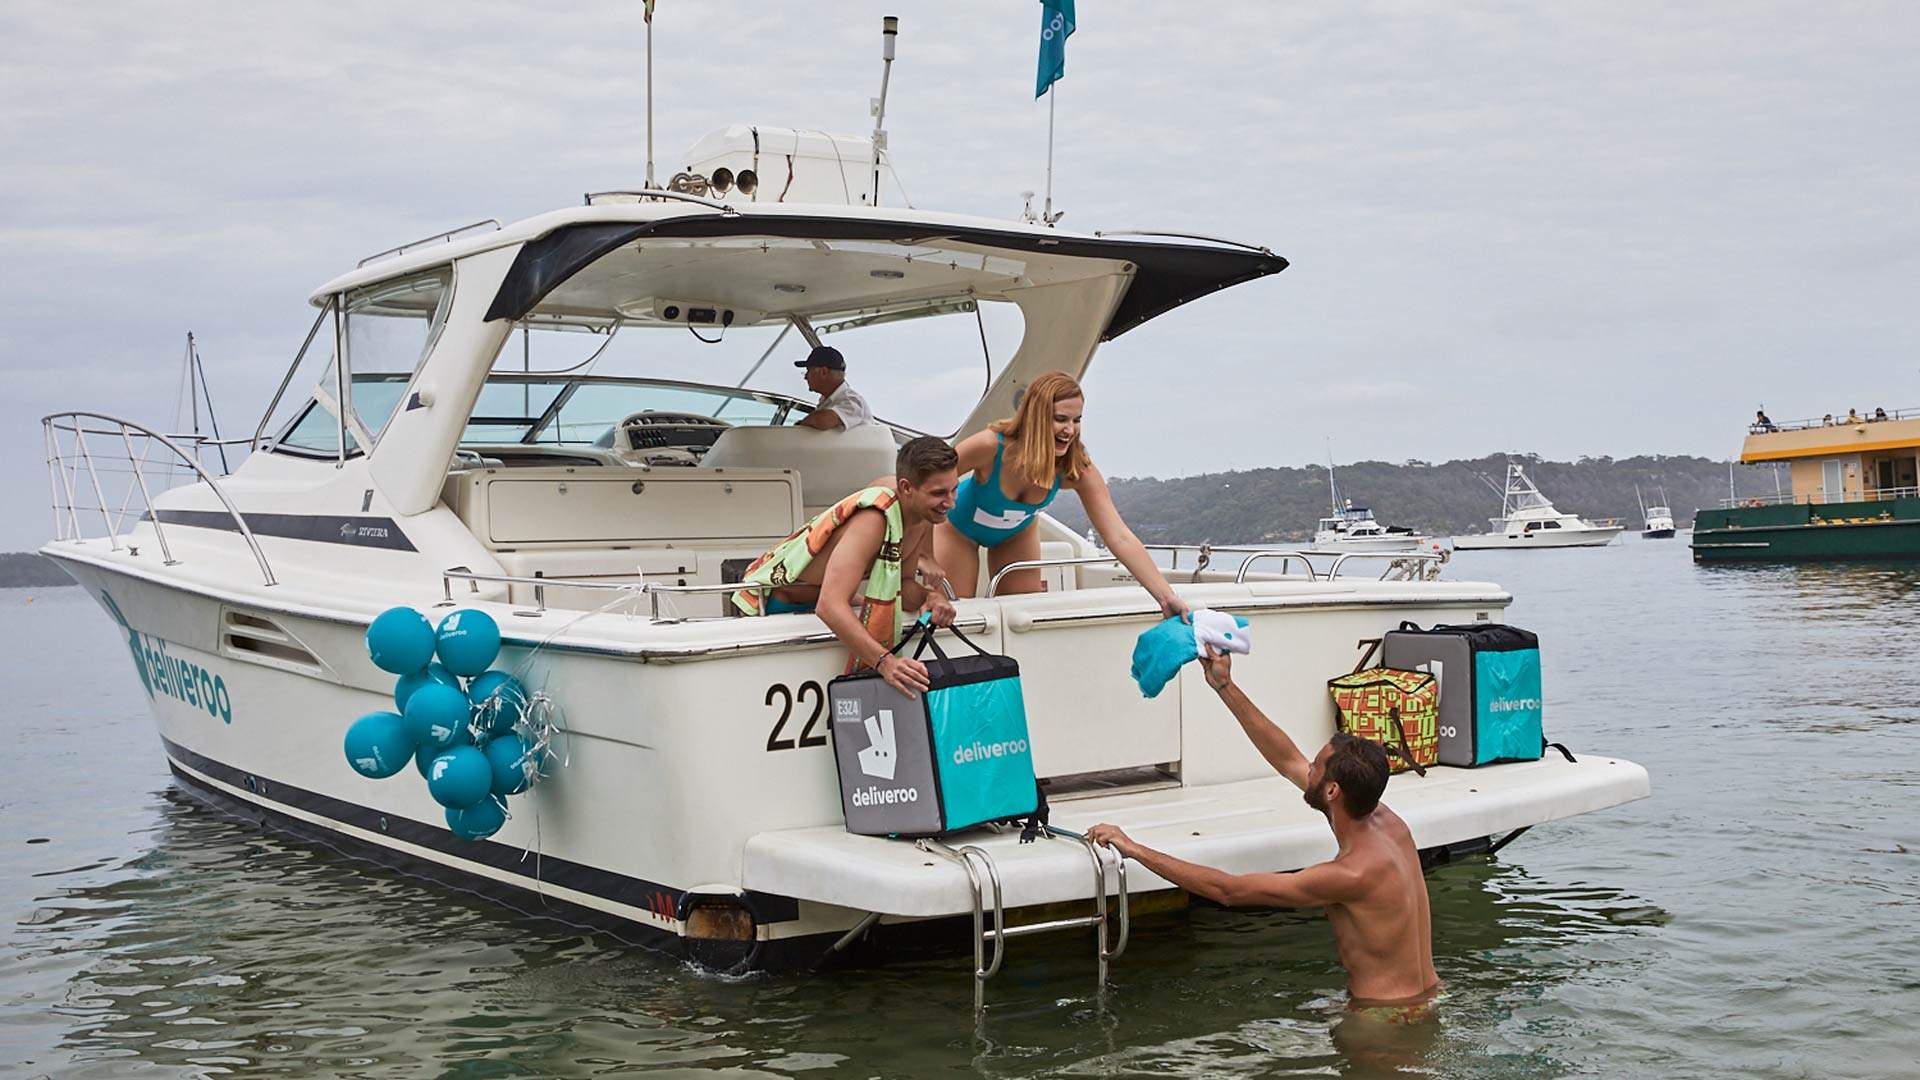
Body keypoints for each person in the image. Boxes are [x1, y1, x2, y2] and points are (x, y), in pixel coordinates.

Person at [1086, 647, 1441, 1020]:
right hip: (1426, 998)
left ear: (1332, 791)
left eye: (1316, 767)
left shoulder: (1349, 874)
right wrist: (1224, 686)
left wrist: (1134, 848)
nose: (1307, 768)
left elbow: (1229, 891)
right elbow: (1287, 758)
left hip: (1383, 1020)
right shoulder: (1388, 822)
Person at [934, 371, 1189, 619]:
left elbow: (1119, 536)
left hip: (1014, 536)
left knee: (1020, 616)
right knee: (953, 614)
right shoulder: (989, 446)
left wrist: (1166, 596)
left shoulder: (1076, 468)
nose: (1069, 430)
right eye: (1060, 419)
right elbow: (925, 488)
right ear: (1035, 417)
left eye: (1076, 420)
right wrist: (919, 556)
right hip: (958, 531)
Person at [731, 436, 958, 697]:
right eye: (939, 493)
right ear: (907, 488)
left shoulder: (923, 515)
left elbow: (904, 587)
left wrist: (933, 597)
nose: (950, 502)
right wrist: (885, 663)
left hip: (822, 603)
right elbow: (829, 605)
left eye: (954, 490)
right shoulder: (874, 520)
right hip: (781, 606)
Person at [793, 345, 872, 431]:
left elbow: (823, 420)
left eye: (808, 371)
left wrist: (800, 425)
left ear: (823, 372)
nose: (805, 377)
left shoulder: (851, 400)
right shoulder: (827, 400)